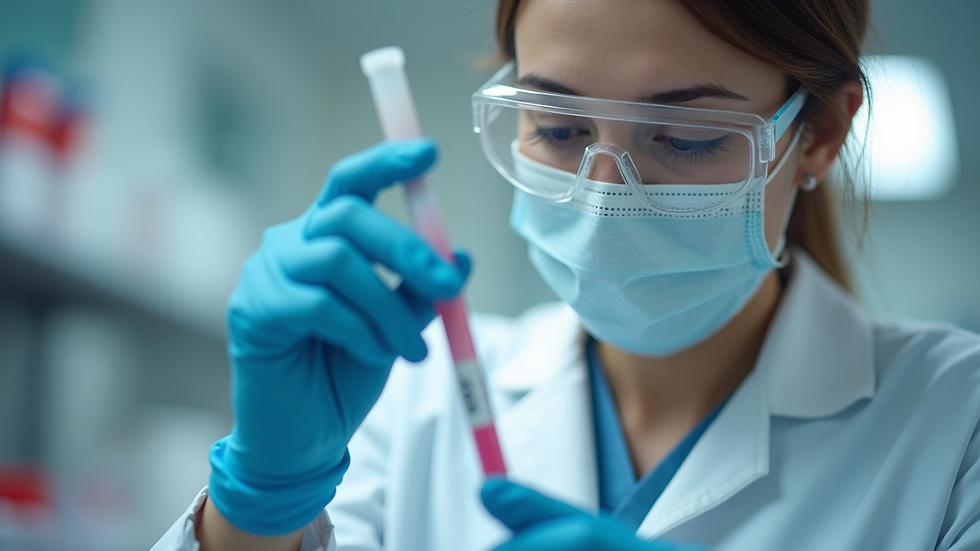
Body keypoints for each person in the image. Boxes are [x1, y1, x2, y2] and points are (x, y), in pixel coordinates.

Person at [153, 0, 980, 550]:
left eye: (687, 139)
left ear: (819, 135)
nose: (603, 197)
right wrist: (260, 501)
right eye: (556, 128)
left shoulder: (955, 424)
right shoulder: (410, 395)